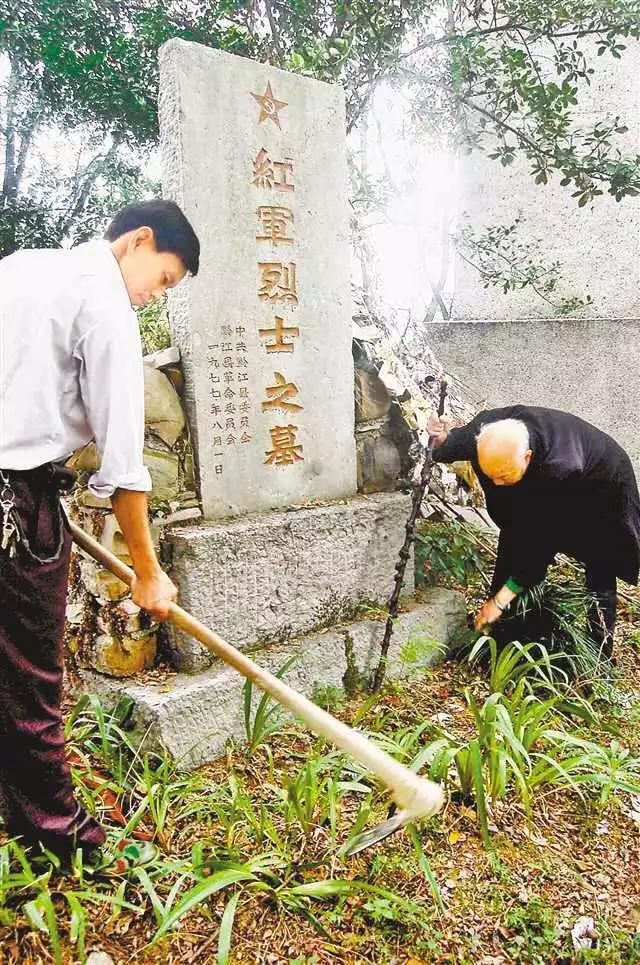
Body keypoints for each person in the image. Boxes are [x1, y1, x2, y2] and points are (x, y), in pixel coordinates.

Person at [0, 199, 200, 869]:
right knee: (32, 679)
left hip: (21, 485)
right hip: (16, 506)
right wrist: (147, 571)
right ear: (138, 240)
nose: (152, 296)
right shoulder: (109, 308)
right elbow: (126, 474)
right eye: (164, 278)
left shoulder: (23, 268)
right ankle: (62, 837)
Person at [428, 405, 640, 660]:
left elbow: (533, 555)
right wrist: (439, 442)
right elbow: (450, 445)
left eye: (504, 476)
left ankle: (598, 659)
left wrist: (501, 600)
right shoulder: (485, 432)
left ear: (527, 457)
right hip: (549, 486)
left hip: (604, 490)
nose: (496, 484)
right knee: (513, 541)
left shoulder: (556, 468)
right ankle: (495, 633)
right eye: (490, 474)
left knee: (600, 568)